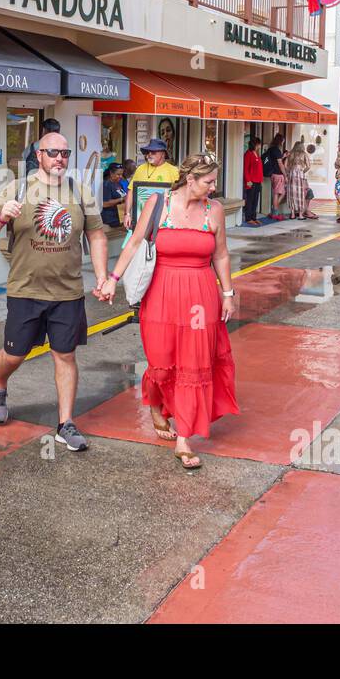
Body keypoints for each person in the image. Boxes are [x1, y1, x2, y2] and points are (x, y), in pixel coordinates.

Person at [99, 153, 237, 470]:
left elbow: (222, 256)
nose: (213, 188)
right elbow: (134, 243)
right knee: (161, 361)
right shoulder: (158, 203)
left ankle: (185, 439)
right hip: (160, 293)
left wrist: (227, 293)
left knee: (194, 363)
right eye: (208, 181)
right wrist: (112, 279)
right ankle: (157, 402)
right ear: (190, 180)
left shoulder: (213, 211)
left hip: (202, 295)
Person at [0, 132, 108, 451]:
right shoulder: (15, 189)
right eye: (53, 153)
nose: (60, 159)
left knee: (65, 355)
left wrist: (103, 277)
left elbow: (97, 235)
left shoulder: (80, 191)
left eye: (65, 154)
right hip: (25, 290)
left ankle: (66, 423)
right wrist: (0, 216)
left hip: (68, 292)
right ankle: (0, 383)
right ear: (39, 155)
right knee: (14, 354)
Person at [124, 138, 179, 231]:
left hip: (165, 219)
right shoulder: (140, 169)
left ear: (163, 154)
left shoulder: (174, 171)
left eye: (153, 152)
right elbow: (131, 192)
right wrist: (127, 214)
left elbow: (179, 194)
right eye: (148, 152)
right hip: (140, 217)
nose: (149, 154)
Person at [285, 140, 316, 220]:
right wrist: (302, 171)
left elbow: (285, 165)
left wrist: (290, 171)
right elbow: (308, 166)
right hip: (300, 174)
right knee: (300, 194)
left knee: (292, 194)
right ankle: (300, 215)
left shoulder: (291, 154)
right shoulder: (304, 154)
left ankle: (292, 214)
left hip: (292, 174)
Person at [264, 132, 286, 220]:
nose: (283, 142)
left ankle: (274, 210)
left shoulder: (270, 149)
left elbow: (275, 160)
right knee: (279, 193)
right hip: (278, 175)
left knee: (276, 193)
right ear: (281, 141)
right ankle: (275, 211)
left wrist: (283, 156)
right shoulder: (277, 150)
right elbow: (280, 164)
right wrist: (285, 175)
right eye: (283, 141)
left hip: (272, 174)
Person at [242, 137, 264, 226]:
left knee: (255, 200)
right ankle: (248, 218)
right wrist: (248, 181)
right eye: (258, 144)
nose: (259, 146)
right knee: (250, 200)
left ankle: (254, 217)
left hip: (258, 181)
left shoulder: (256, 154)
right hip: (251, 181)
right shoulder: (248, 154)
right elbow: (246, 169)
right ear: (255, 144)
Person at [100, 162, 126, 228]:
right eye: (118, 174)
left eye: (121, 174)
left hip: (120, 217)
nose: (120, 176)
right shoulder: (106, 184)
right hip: (110, 219)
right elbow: (104, 203)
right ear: (111, 173)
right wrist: (122, 199)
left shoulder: (118, 184)